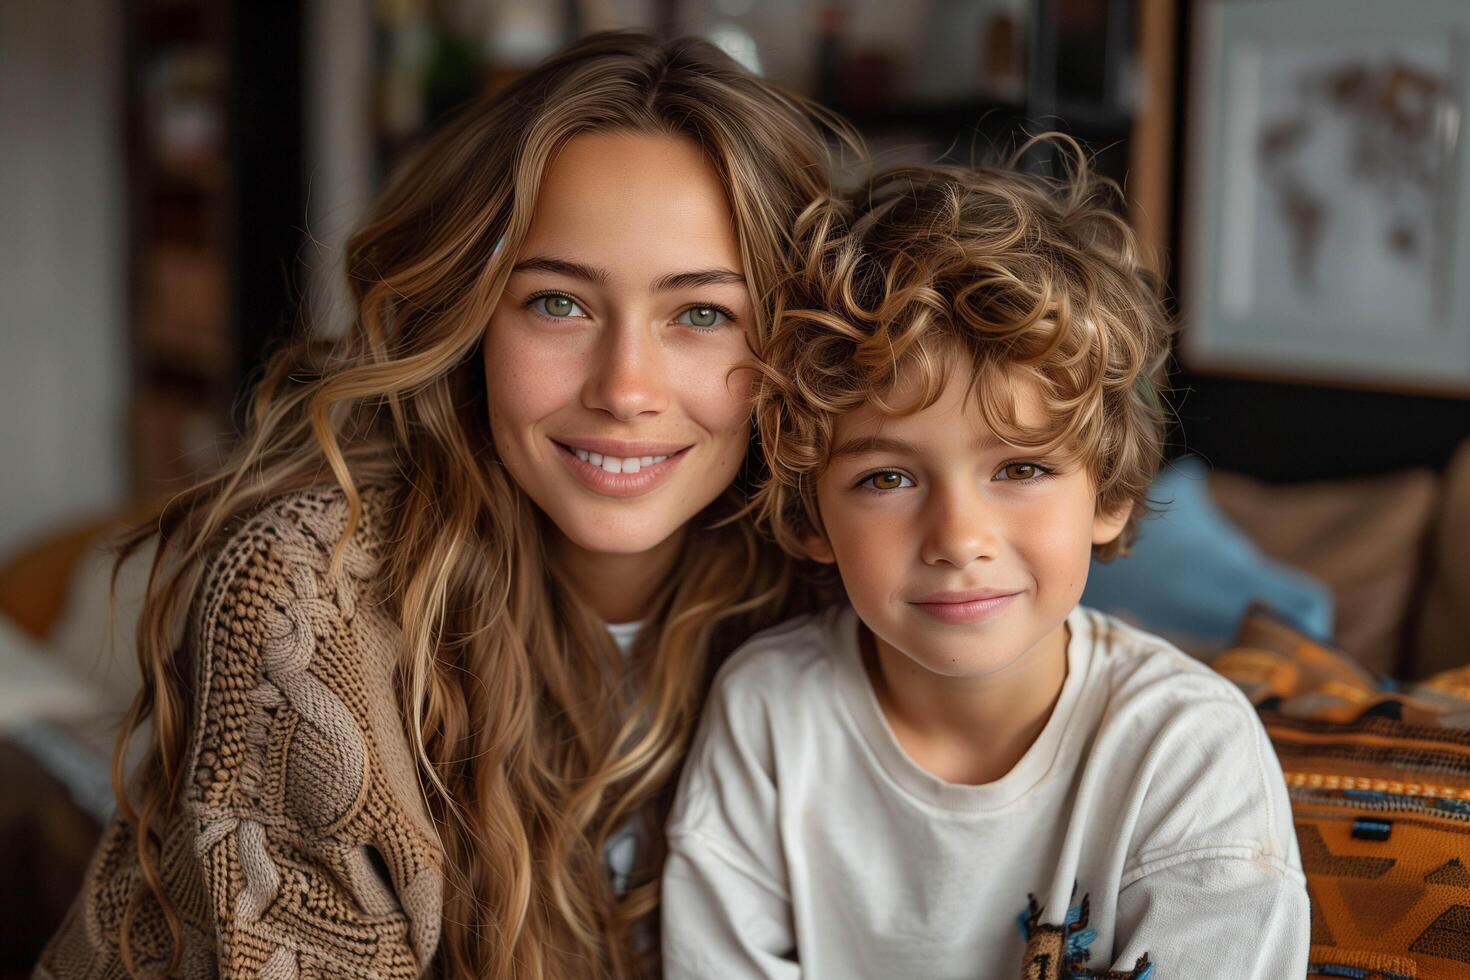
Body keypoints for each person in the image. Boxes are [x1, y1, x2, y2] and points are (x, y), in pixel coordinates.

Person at [37, 32, 854, 980]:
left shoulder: (839, 579)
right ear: (468, 314)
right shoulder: (306, 595)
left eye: (702, 314)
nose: (625, 389)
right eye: (558, 303)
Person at [662, 148, 1311, 979]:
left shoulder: (1188, 751)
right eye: (887, 477)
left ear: (1109, 492)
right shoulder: (768, 717)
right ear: (812, 512)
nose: (958, 538)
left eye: (1022, 468)